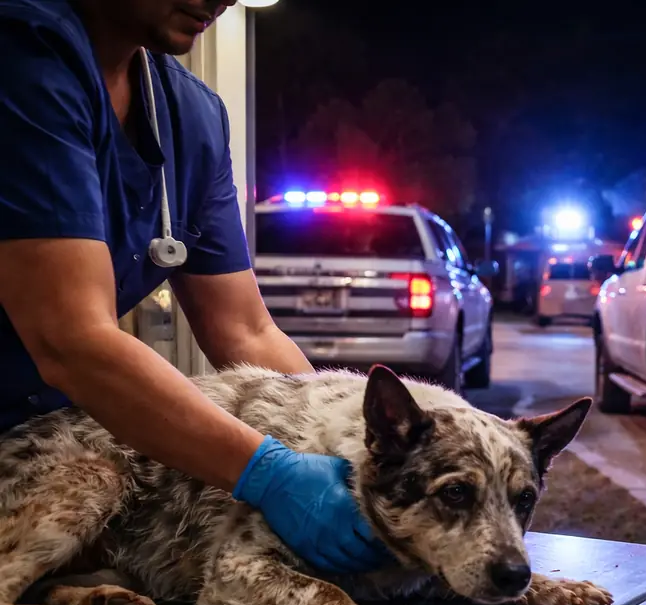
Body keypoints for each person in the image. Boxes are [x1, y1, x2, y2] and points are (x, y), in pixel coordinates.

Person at [0, 0, 389, 574]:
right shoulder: (21, 56)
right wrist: (270, 472)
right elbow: (72, 341)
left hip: (45, 452)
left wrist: (346, 440)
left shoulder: (191, 116)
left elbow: (247, 331)